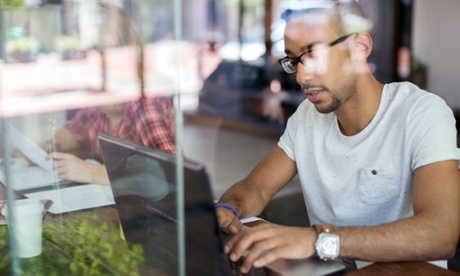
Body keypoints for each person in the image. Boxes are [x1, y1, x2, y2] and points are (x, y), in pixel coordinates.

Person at [215, 0, 460, 273]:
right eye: (294, 61)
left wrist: (316, 239)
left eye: (314, 54)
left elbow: (441, 233)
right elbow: (257, 187)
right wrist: (228, 209)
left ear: (360, 47)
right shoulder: (307, 117)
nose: (301, 76)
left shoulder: (421, 112)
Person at [43, 96, 176, 185]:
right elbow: (71, 133)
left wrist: (92, 172)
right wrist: (51, 146)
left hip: (149, 211)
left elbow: (172, 171)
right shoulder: (98, 107)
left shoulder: (146, 108)